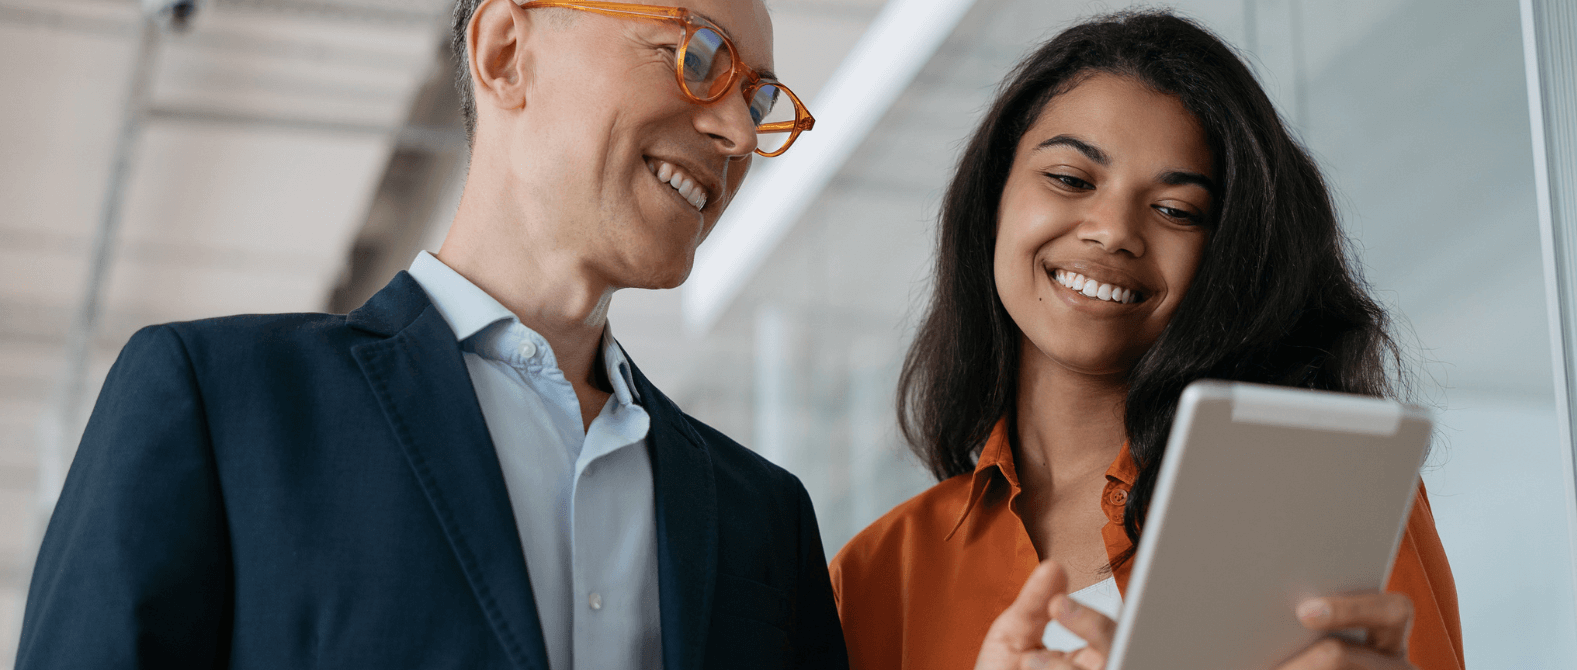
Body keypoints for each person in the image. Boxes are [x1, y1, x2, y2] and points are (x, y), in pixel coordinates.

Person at [16, 1, 841, 668]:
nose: (738, 134)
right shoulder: (219, 405)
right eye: (698, 57)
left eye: (759, 100)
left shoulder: (764, 520)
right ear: (506, 53)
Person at [829, 10, 1461, 670]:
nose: (1114, 231)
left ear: (1226, 258)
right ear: (993, 201)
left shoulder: (1333, 501)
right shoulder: (876, 577)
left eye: (1177, 211)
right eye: (1071, 179)